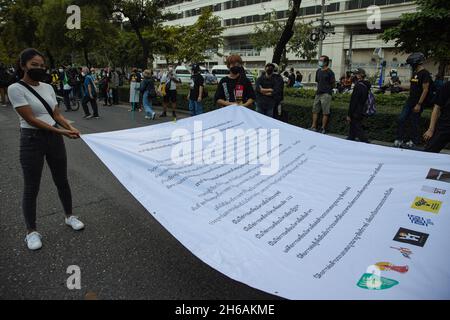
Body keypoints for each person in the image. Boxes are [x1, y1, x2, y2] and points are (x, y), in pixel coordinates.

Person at [7, 48, 84, 250]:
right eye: (34, 65)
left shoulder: (48, 87)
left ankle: (69, 216)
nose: (39, 68)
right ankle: (31, 232)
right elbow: (30, 119)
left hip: (54, 138)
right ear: (23, 65)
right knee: (32, 186)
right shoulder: (15, 88)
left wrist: (70, 127)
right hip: (31, 140)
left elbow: (56, 115)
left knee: (62, 180)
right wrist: (62, 133)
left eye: (41, 65)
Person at [394, 52, 432, 149]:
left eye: (411, 64)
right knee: (401, 119)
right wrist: (400, 87)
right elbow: (412, 87)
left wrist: (419, 104)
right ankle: (399, 139)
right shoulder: (415, 73)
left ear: (416, 62)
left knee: (414, 121)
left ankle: (414, 141)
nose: (411, 66)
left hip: (417, 103)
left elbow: (425, 90)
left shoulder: (425, 74)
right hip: (410, 101)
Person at [310, 55, 335, 134]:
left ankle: (323, 128)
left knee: (325, 112)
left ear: (326, 62)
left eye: (321, 60)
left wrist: (327, 89)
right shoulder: (318, 71)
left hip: (326, 94)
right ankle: (313, 126)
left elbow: (333, 84)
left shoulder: (330, 72)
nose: (319, 62)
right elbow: (318, 81)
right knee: (315, 110)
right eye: (319, 60)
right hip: (318, 93)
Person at [423, 80, 450, 153]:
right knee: (428, 152)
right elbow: (436, 107)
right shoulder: (447, 86)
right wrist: (431, 129)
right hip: (445, 126)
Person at [346, 68, 370, 143]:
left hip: (356, 111)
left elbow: (354, 101)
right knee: (353, 127)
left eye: (356, 74)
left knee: (357, 127)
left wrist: (349, 114)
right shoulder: (365, 85)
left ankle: (365, 142)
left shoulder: (358, 86)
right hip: (362, 109)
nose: (354, 76)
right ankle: (350, 138)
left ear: (360, 76)